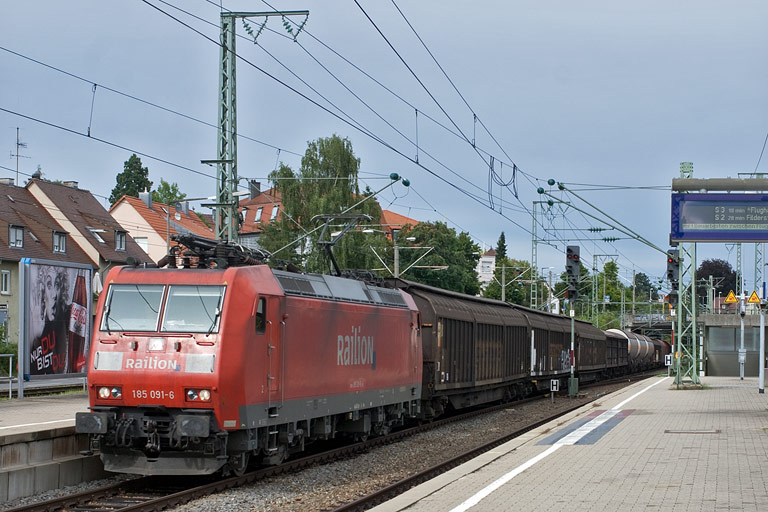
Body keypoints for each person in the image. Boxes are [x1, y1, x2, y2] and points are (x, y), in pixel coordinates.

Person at [29, 265, 71, 374]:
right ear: (43, 291)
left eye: (57, 285)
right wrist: (35, 336)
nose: (53, 295)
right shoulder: (36, 323)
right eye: (49, 285)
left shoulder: (68, 318)